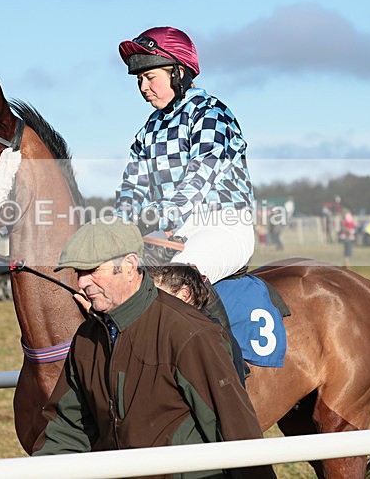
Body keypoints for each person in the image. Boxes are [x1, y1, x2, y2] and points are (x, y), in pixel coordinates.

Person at [33, 218, 275, 478]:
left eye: (92, 270)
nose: (82, 283)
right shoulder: (86, 338)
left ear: (129, 266)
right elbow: (67, 427)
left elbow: (236, 428)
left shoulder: (190, 333)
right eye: (79, 273)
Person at [114, 26, 255, 285]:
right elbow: (133, 187)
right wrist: (118, 224)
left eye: (149, 76)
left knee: (174, 284)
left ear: (178, 73)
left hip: (222, 227)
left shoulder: (211, 114)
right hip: (170, 231)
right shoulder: (149, 129)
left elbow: (199, 178)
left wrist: (155, 215)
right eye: (138, 80)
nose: (143, 87)